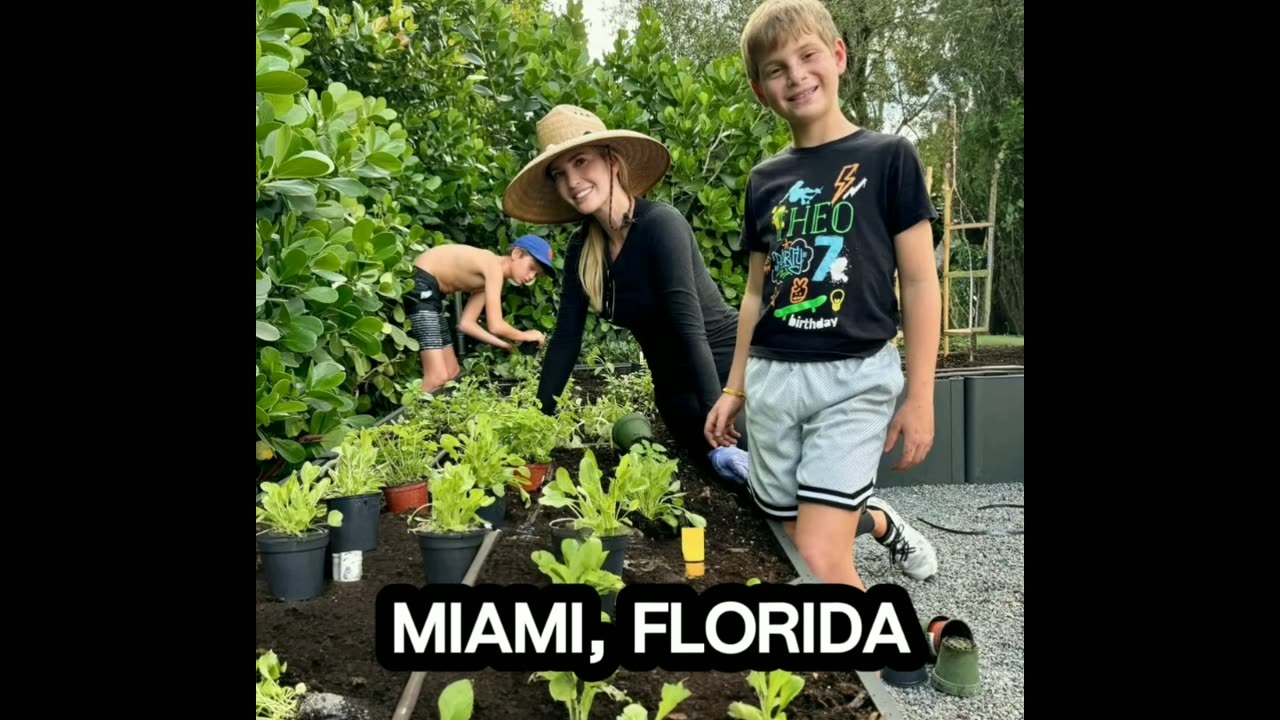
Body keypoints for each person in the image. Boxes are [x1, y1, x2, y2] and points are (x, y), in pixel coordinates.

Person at [704, 0, 940, 587]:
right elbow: (756, 294)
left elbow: (918, 281)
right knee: (790, 530)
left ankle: (892, 658)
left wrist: (920, 395)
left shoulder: (888, 158)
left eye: (807, 55)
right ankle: (879, 522)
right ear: (762, 91)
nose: (796, 74)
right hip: (774, 382)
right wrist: (735, 386)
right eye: (776, 68)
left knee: (818, 550)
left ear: (837, 57)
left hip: (855, 376)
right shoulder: (765, 180)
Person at [500, 104, 750, 471]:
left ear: (612, 161)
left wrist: (720, 415)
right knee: (732, 483)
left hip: (727, 378)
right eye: (559, 173)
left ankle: (864, 515)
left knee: (775, 487)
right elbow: (566, 342)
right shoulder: (581, 251)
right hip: (676, 399)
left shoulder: (661, 226)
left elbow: (689, 328)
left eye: (581, 161)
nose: (572, 181)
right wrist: (536, 423)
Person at [404, 236, 554, 393]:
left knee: (452, 372)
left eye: (536, 274)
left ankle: (434, 414)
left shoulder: (489, 278)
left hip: (431, 295)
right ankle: (414, 416)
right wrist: (525, 335)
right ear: (516, 253)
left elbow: (467, 324)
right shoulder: (492, 265)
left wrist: (507, 346)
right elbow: (496, 326)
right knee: (437, 378)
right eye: (531, 268)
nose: (531, 277)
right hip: (421, 284)